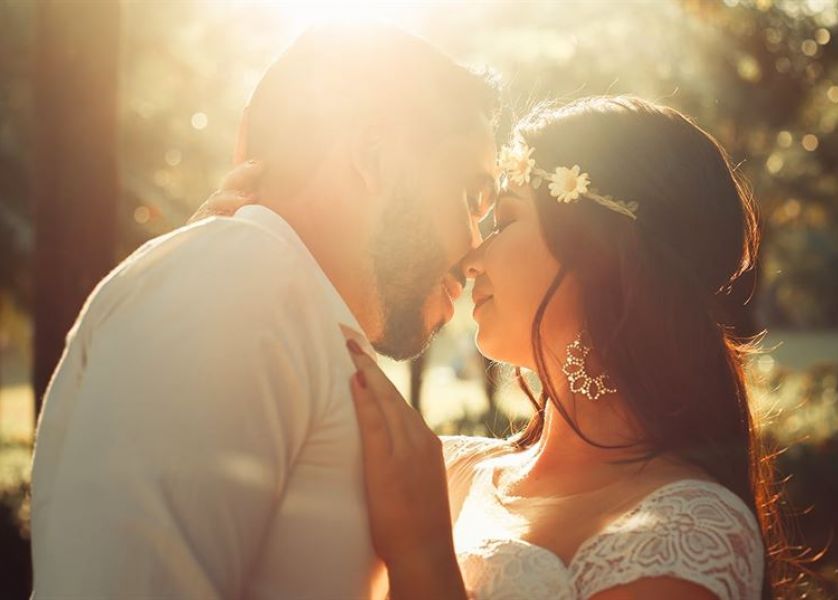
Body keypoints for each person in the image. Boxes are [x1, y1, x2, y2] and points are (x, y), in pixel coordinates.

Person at [206, 96, 791, 599]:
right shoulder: (444, 471)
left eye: (505, 219)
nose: (471, 256)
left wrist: (424, 557)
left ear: (599, 255)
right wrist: (227, 258)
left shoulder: (689, 531)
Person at [30, 23, 498, 599]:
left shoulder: (269, 297)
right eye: (475, 198)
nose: (480, 248)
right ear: (373, 155)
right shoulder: (234, 278)